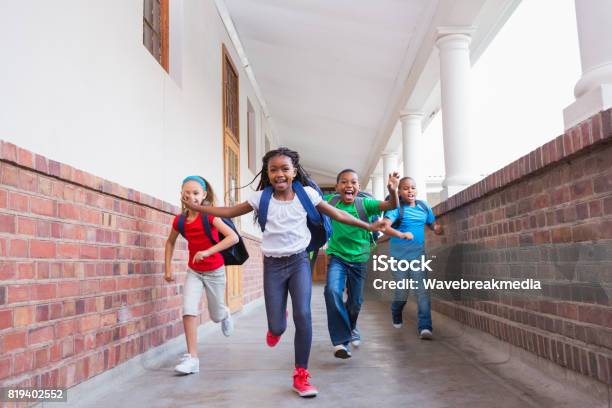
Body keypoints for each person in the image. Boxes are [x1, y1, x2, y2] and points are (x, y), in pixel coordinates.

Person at [182, 147, 386, 397]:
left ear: (294, 171)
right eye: (274, 169)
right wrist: (199, 208)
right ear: (268, 174)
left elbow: (338, 213)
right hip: (273, 266)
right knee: (277, 327)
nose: (279, 174)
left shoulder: (307, 194)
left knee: (303, 314)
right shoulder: (261, 198)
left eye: (285, 169)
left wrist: (368, 225)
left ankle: (301, 374)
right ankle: (277, 323)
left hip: (299, 261)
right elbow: (229, 212)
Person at [164, 175, 238, 374]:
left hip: (215, 271)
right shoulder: (180, 221)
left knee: (215, 316)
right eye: (187, 193)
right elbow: (170, 242)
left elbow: (233, 238)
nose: (191, 197)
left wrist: (207, 252)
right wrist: (168, 268)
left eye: (195, 193)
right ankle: (193, 358)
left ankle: (225, 313)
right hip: (194, 272)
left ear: (204, 195)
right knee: (188, 310)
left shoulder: (210, 216)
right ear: (181, 195)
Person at [324, 169, 399, 358]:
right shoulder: (330, 203)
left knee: (355, 302)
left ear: (358, 187)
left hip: (359, 259)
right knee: (332, 291)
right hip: (337, 257)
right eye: (344, 182)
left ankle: (352, 327)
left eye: (353, 182)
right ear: (336, 187)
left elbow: (391, 205)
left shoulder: (365, 204)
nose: (349, 185)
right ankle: (341, 342)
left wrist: (393, 191)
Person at [382, 176, 443, 339]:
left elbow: (431, 223)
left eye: (413, 188)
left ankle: (425, 327)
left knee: (422, 291)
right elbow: (385, 226)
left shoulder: (424, 206)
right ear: (399, 192)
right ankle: (396, 311)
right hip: (399, 258)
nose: (410, 191)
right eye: (406, 188)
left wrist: (437, 228)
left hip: (418, 257)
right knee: (402, 293)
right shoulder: (396, 209)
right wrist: (401, 234)